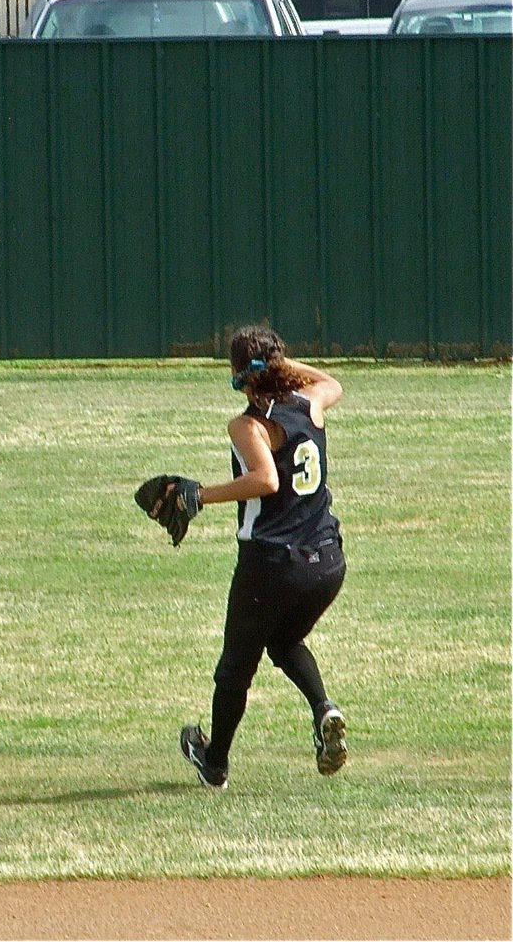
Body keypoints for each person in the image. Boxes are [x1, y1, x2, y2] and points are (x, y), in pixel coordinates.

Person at [176, 325, 347, 789]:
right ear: (281, 365)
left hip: (272, 565)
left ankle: (215, 764)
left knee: (235, 669)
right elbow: (333, 382)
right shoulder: (310, 404)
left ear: (237, 373)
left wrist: (201, 495)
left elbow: (266, 479)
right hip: (328, 561)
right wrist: (283, 367)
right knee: (284, 641)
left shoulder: (247, 425)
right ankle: (324, 709)